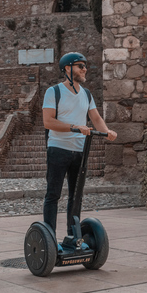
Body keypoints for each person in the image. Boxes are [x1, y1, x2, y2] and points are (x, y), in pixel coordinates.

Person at [42, 52, 117, 248]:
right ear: (67, 69)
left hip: (79, 151)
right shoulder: (54, 92)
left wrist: (107, 131)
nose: (84, 69)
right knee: (53, 194)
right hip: (58, 148)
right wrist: (74, 128)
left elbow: (96, 118)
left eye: (85, 66)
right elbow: (48, 121)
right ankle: (49, 239)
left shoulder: (87, 94)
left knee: (76, 195)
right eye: (80, 66)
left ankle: (73, 237)